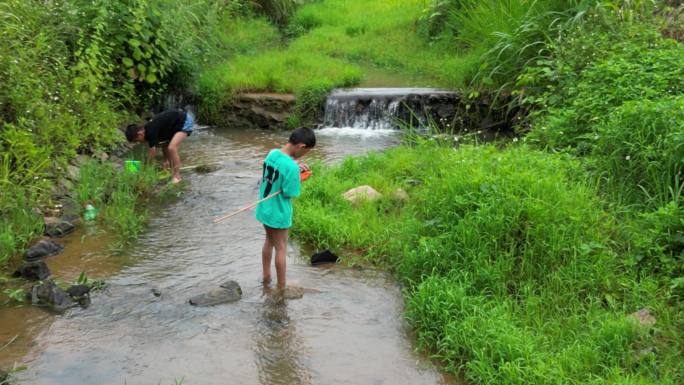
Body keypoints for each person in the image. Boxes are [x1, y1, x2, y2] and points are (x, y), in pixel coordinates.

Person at [256, 127, 316, 290]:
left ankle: (266, 276)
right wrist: (299, 176)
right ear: (301, 147)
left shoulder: (272, 153)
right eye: (306, 152)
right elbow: (290, 192)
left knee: (269, 241)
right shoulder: (291, 168)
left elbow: (277, 171)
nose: (305, 155)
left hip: (264, 207)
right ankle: (281, 286)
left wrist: (294, 167)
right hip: (278, 212)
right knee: (281, 247)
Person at [125, 109, 194, 183]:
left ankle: (177, 176)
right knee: (167, 146)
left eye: (137, 140)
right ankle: (170, 167)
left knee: (172, 148)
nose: (139, 142)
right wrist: (165, 161)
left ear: (140, 134)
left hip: (184, 121)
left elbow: (152, 152)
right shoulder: (149, 130)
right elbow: (164, 144)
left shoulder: (150, 131)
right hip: (173, 125)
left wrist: (145, 167)